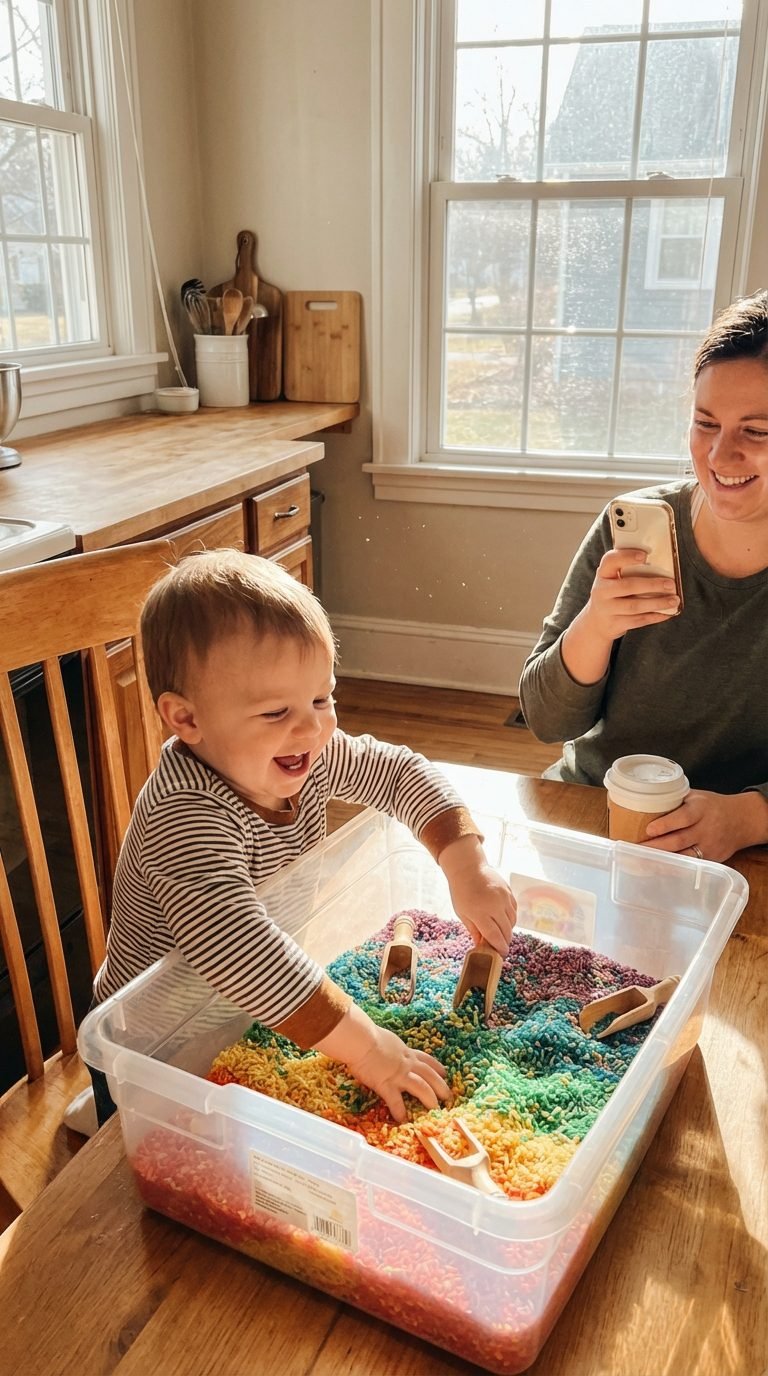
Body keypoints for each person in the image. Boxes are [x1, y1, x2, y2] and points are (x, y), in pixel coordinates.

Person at [89, 549, 516, 1127]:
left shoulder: (301, 754)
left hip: (252, 1015)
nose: (313, 727)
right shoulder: (184, 817)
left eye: (322, 698)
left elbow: (400, 772)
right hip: (156, 1051)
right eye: (275, 711)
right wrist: (369, 1050)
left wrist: (466, 864)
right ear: (186, 720)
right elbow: (243, 954)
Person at [519, 289, 768, 864]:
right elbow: (545, 719)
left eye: (756, 431)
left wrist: (750, 816)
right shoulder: (630, 526)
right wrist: (596, 625)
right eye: (705, 422)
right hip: (595, 813)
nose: (719, 455)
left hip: (736, 851)